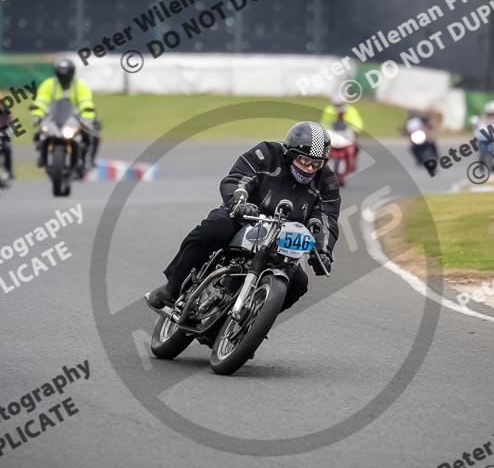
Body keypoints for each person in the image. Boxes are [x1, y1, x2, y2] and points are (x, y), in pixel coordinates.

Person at [148, 121, 341, 311]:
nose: (309, 168)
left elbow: (327, 217)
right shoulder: (266, 153)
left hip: (282, 239)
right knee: (212, 229)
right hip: (244, 217)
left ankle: (251, 321)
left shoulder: (326, 180)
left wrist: (323, 251)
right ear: (289, 154)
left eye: (316, 164)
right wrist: (240, 202)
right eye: (304, 161)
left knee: (299, 283)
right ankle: (172, 287)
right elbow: (238, 179)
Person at [30, 59, 101, 169]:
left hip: (74, 119)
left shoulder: (79, 86)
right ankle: (42, 154)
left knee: (92, 133)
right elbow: (40, 101)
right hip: (53, 118)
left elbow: (86, 102)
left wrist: (87, 117)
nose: (63, 77)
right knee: (39, 132)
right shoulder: (49, 84)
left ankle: (88, 158)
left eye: (66, 75)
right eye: (61, 74)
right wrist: (37, 114)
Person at [0, 94, 14, 179]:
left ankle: (9, 171)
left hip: (2, 135)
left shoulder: (6, 111)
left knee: (7, 149)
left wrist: (9, 132)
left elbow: (11, 123)